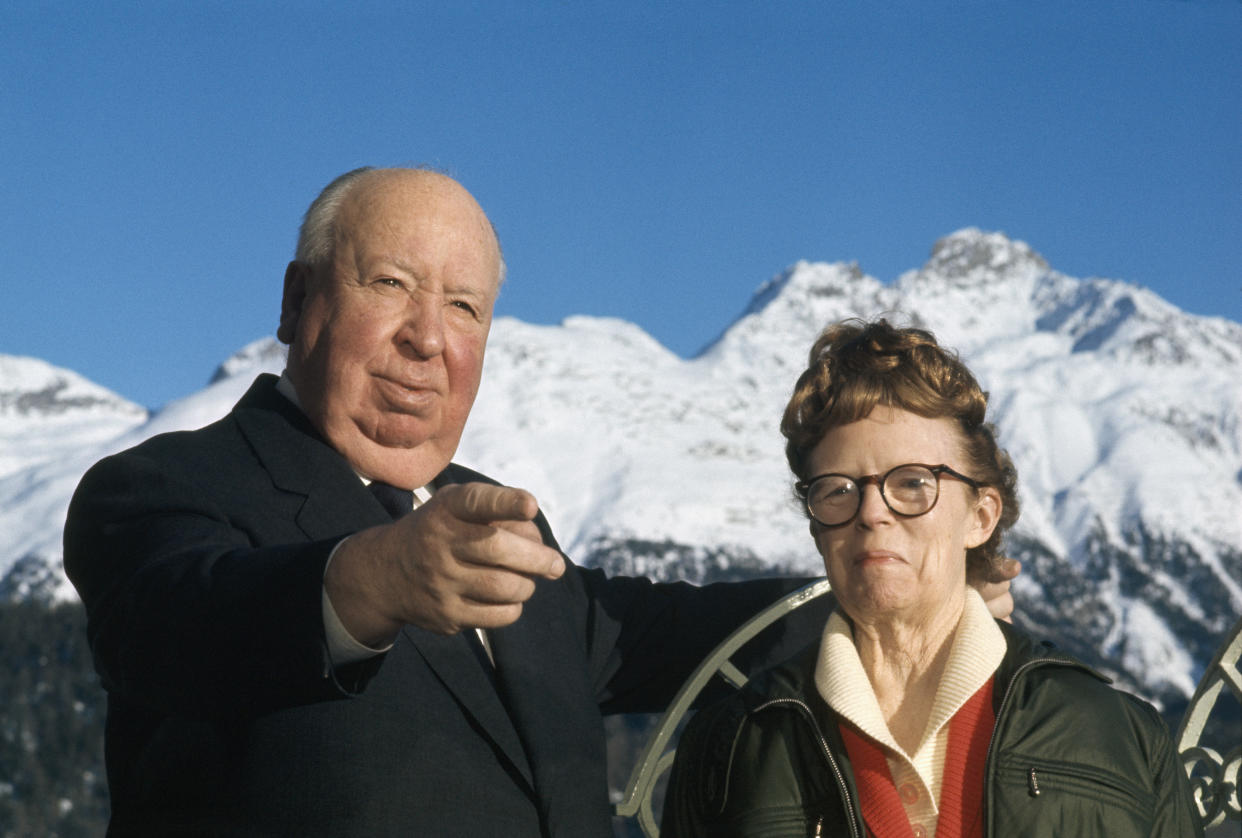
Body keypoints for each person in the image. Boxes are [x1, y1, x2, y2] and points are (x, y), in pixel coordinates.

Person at [64, 168, 1017, 837]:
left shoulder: (494, 520)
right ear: (296, 300)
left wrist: (887, 592)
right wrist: (366, 582)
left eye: (465, 308)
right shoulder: (163, 488)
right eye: (390, 284)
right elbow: (179, 621)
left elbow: (662, 631)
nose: (426, 338)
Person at [661, 319, 1202, 838]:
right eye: (837, 489)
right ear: (817, 528)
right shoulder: (734, 745)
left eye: (913, 483)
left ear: (980, 516)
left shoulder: (1115, 734)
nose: (872, 511)